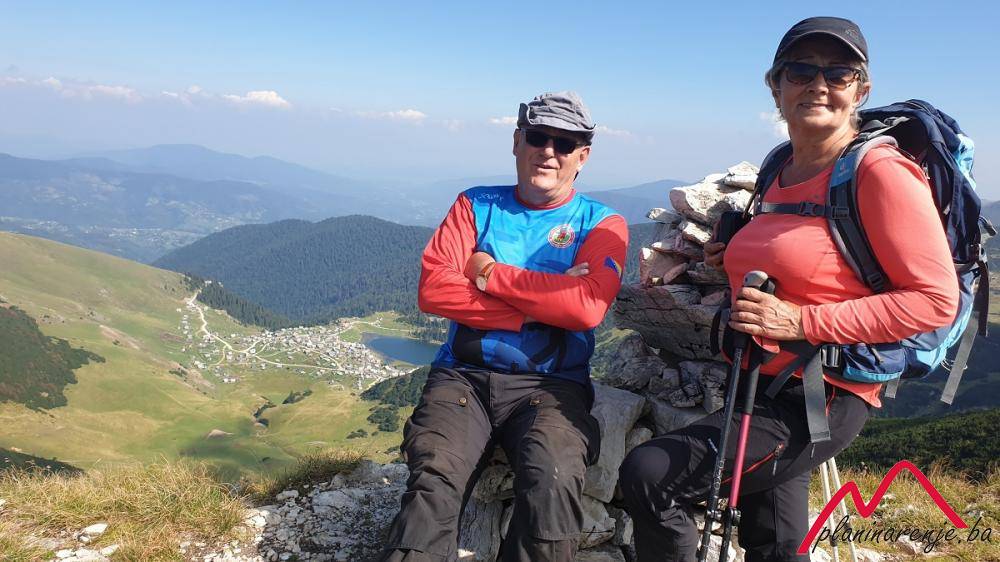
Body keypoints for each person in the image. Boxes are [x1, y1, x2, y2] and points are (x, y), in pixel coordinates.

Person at [618, 17, 959, 562]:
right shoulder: (781, 165)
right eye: (800, 71)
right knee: (774, 540)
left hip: (818, 396)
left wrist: (800, 321)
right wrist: (732, 256)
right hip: (758, 380)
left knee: (651, 474)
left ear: (860, 90)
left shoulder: (879, 171)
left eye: (838, 73)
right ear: (775, 86)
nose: (818, 84)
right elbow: (809, 255)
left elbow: (935, 300)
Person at [380, 91, 629, 562]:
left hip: (551, 386)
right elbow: (434, 292)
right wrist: (542, 304)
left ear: (583, 156)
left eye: (564, 143)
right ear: (517, 141)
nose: (548, 151)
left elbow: (586, 308)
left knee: (553, 480)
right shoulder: (474, 204)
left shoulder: (602, 223)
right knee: (433, 482)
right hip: (463, 378)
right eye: (538, 137)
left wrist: (488, 273)